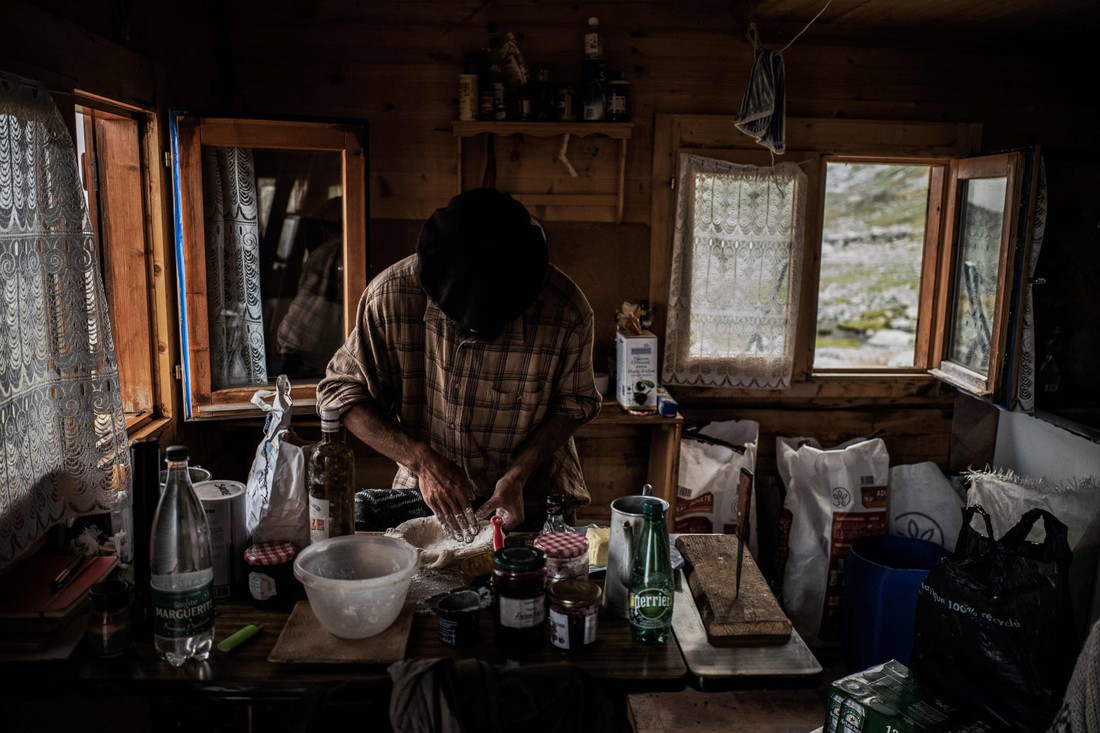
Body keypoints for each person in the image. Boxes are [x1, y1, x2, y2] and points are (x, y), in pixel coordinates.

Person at [316, 188, 601, 538]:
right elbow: (338, 394)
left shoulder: (565, 309)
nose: (476, 329)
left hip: (536, 496)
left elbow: (576, 403)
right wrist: (420, 461)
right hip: (429, 493)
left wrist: (517, 474)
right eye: (464, 319)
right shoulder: (390, 298)